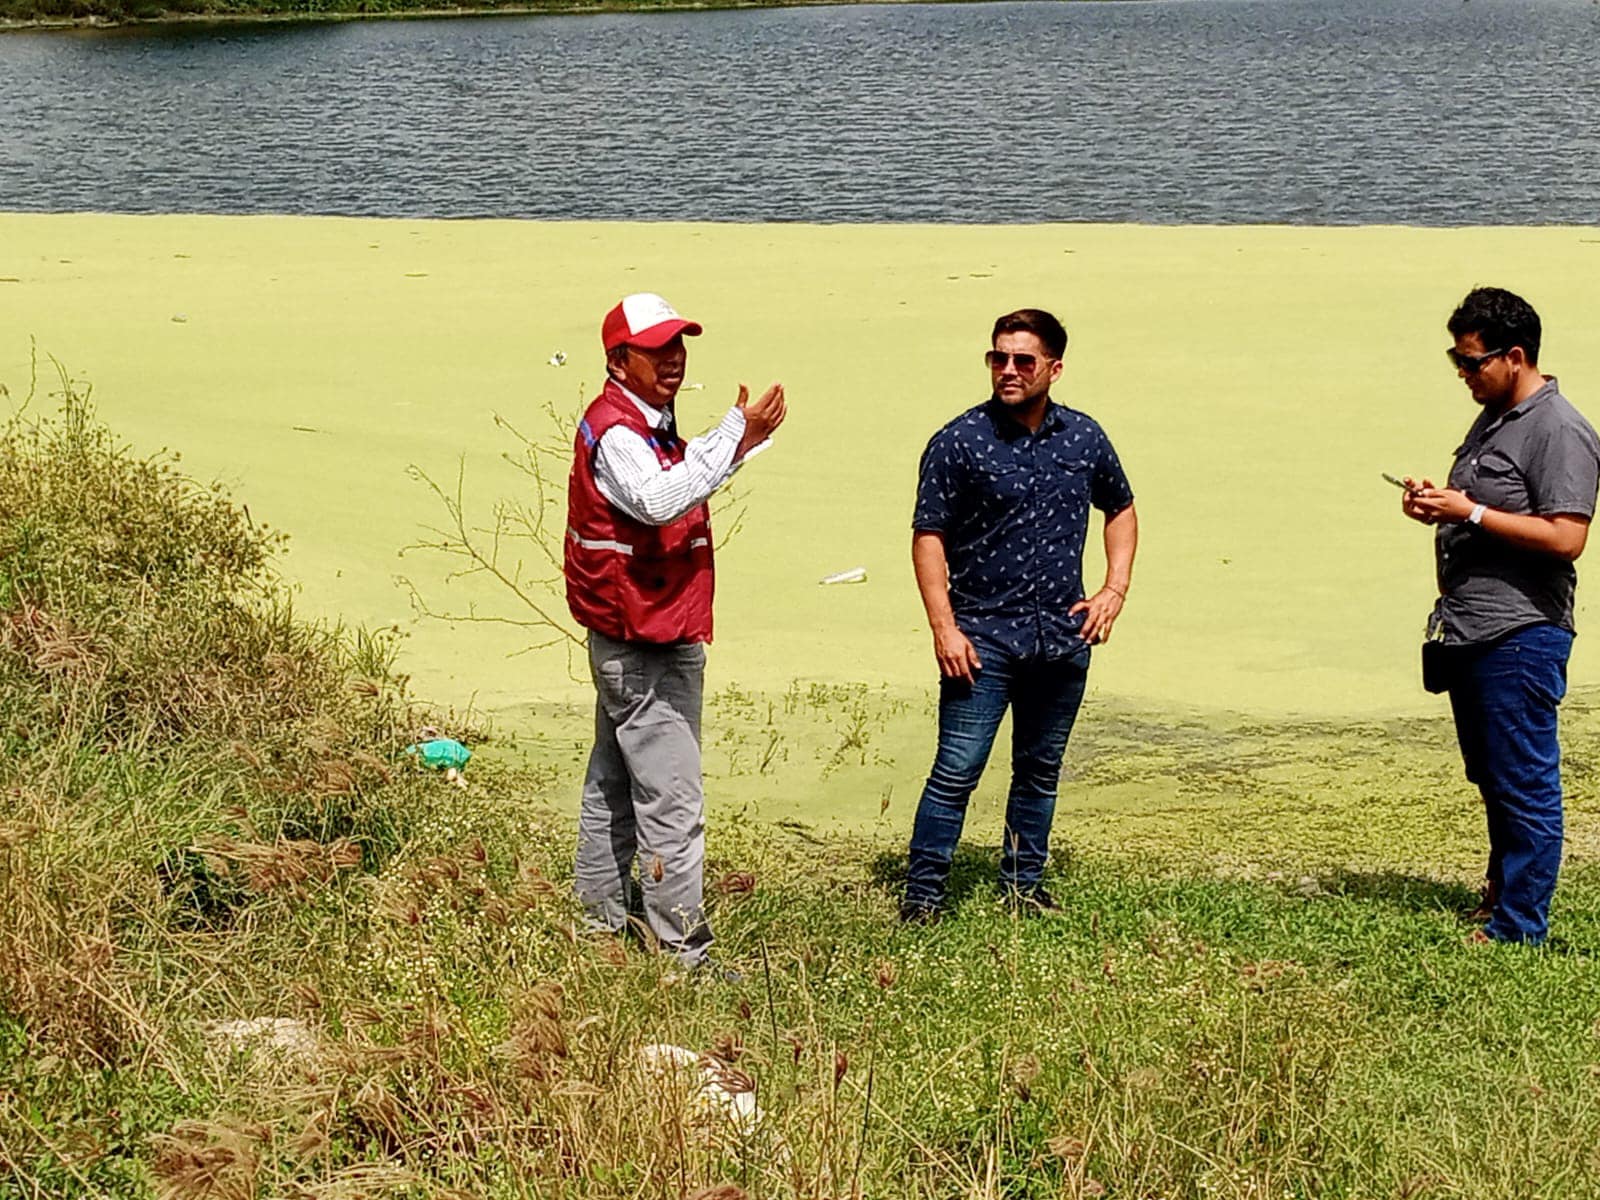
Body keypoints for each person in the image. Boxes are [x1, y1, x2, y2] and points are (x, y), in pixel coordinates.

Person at [565, 292, 786, 966]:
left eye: (678, 344)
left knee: (612, 790)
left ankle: (598, 930)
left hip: (640, 635)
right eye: (657, 348)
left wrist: (737, 445)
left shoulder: (646, 424)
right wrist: (732, 433)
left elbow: (679, 480)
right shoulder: (618, 433)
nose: (674, 358)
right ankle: (683, 955)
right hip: (643, 646)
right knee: (673, 805)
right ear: (618, 361)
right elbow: (659, 501)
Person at [902, 308, 1138, 922]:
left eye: (1023, 360)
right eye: (998, 358)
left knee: (1039, 771)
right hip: (981, 639)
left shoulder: (1083, 438)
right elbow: (928, 536)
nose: (1008, 370)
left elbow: (1120, 507)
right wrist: (944, 628)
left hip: (1062, 636)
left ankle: (1022, 888)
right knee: (956, 771)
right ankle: (923, 898)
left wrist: (1114, 590)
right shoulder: (958, 441)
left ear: (1053, 369)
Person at [1401, 286, 1599, 946]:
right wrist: (1441, 506)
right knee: (1492, 775)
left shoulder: (1559, 429)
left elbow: (1568, 536)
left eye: (1471, 361)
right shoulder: (1495, 419)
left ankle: (1519, 927)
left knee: (1525, 782)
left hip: (1521, 632)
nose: (1462, 373)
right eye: (1454, 360)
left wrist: (1472, 513)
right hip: (1471, 627)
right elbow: (1483, 506)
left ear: (1514, 356)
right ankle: (1500, 896)